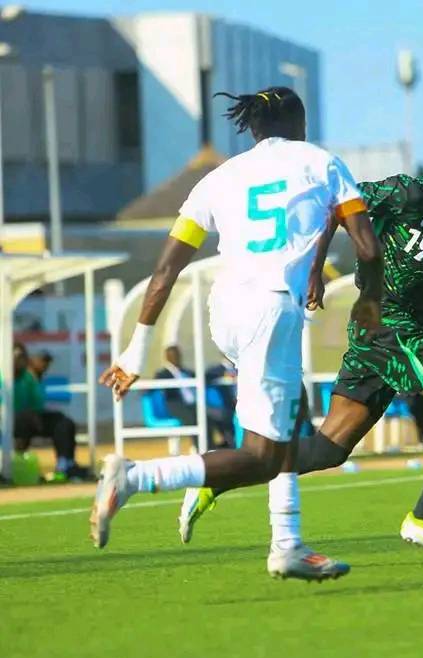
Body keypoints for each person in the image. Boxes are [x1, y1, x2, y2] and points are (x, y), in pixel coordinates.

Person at [182, 126, 423, 559]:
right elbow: (337, 209)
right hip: (388, 322)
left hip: (391, 335)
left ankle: (220, 472)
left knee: (328, 449)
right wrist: (315, 269)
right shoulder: (405, 193)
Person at [93, 86, 383, 582]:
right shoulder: (320, 162)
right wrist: (369, 304)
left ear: (252, 130)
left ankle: (287, 545)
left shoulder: (218, 178)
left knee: (291, 418)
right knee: (261, 457)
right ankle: (137, 477)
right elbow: (369, 250)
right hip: (272, 310)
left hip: (225, 311)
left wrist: (135, 348)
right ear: (300, 123)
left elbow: (164, 271)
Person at [12, 343, 90, 481]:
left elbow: (37, 405)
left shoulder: (32, 378)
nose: (45, 365)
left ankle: (65, 464)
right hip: (10, 420)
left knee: (63, 422)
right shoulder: (7, 377)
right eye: (42, 360)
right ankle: (16, 465)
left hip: (31, 419)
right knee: (26, 418)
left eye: (47, 361)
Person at [154, 345, 234, 449]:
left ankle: (228, 445)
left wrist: (223, 375)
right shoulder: (163, 374)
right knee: (198, 418)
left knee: (221, 414)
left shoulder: (186, 372)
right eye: (173, 355)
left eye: (177, 354)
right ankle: (203, 449)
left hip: (196, 405)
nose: (176, 357)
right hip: (179, 406)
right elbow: (152, 388)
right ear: (167, 357)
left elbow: (205, 377)